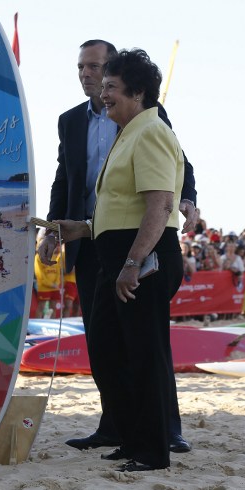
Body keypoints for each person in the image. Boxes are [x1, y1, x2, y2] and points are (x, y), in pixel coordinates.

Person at [39, 40, 195, 454]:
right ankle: (126, 433)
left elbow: (160, 201)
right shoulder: (99, 126)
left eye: (106, 78)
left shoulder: (149, 127)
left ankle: (158, 440)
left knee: (145, 349)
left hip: (139, 254)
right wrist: (72, 228)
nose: (95, 83)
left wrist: (133, 261)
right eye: (86, 70)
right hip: (105, 251)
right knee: (108, 345)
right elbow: (86, 191)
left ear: (135, 91)